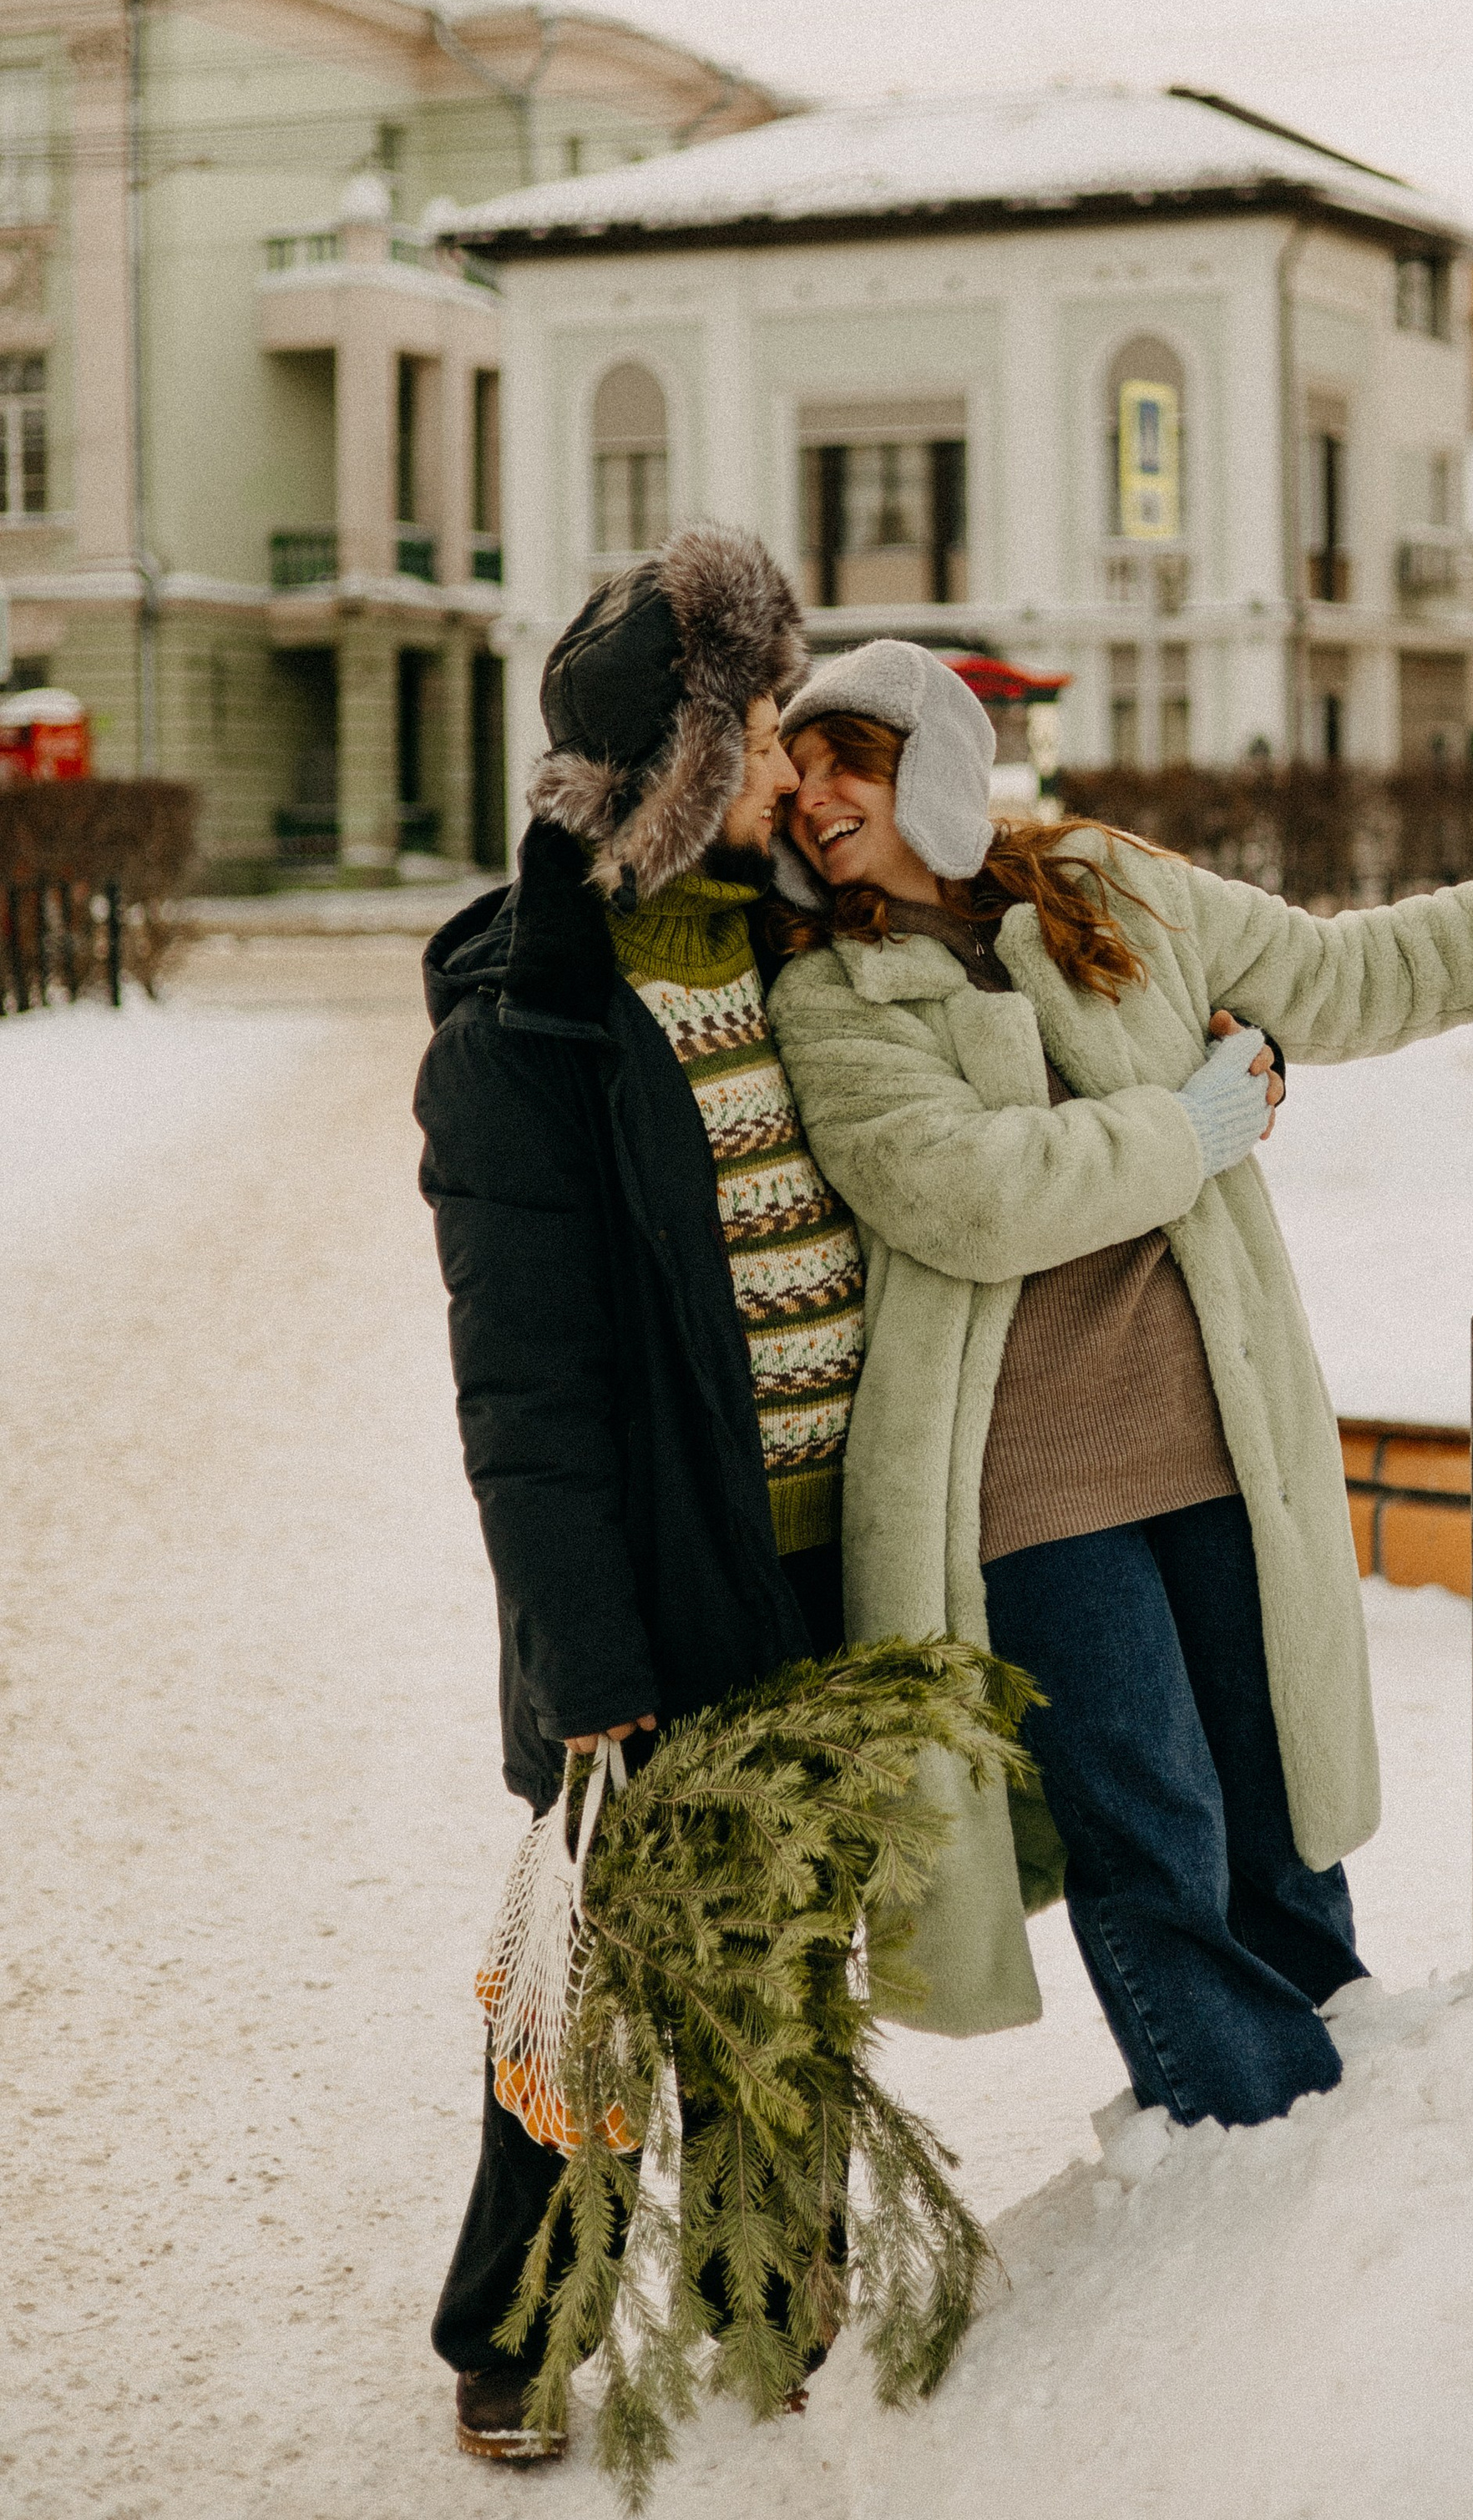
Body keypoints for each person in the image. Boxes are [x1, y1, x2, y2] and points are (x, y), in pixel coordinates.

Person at [764, 639, 1473, 2137]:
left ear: (940, 764)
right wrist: (1198, 1122)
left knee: (1277, 1808)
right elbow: (972, 1194)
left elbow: (1339, 970)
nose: (814, 799)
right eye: (797, 783)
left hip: (1217, 1436)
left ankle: (1348, 2143)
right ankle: (1244, 2163)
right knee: (1156, 1835)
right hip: (1026, 1491)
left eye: (848, 758)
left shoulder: (1110, 887)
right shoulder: (836, 1002)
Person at [415, 524, 863, 2465]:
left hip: (818, 1572)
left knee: (789, 1968)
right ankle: (517, 2329)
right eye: (765, 724)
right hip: (637, 1605)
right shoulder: (524, 1034)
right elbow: (528, 1399)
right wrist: (585, 1666)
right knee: (595, 1992)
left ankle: (781, 2312)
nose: (794, 763)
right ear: (691, 766)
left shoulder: (800, 953)